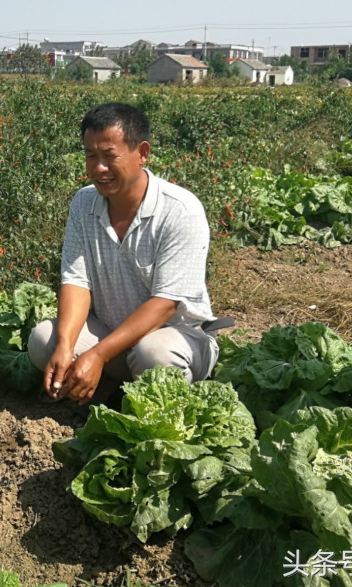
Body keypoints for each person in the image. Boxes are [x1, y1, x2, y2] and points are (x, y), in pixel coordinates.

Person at [27, 102, 218, 404]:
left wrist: (98, 354)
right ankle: (108, 387)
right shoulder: (83, 203)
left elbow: (166, 305)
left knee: (154, 355)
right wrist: (66, 347)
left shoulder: (180, 210)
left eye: (109, 156)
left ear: (142, 153)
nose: (98, 168)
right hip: (112, 335)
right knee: (43, 342)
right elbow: (76, 281)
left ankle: (156, 397)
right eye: (91, 156)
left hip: (177, 338)